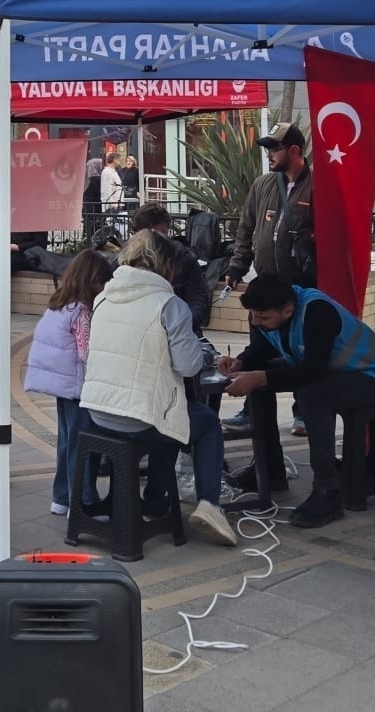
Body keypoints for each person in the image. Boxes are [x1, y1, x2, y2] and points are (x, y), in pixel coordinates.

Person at [80, 231, 237, 547]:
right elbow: (189, 366)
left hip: (98, 412)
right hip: (139, 417)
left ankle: (155, 499)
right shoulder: (170, 305)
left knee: (170, 415)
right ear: (166, 265)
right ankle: (210, 504)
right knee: (204, 423)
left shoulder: (103, 298)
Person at [219, 278, 375, 528]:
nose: (256, 322)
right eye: (253, 316)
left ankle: (328, 490)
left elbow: (312, 371)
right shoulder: (263, 313)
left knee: (312, 395)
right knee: (260, 380)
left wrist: (259, 377)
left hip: (372, 376)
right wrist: (241, 363)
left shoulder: (317, 311)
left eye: (263, 318)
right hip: (334, 371)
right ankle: (270, 469)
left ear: (288, 311)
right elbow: (261, 350)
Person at [221, 123, 317, 436]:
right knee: (257, 348)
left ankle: (304, 413)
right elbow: (245, 230)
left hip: (300, 290)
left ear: (295, 151)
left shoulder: (317, 185)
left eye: (274, 148)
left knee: (303, 353)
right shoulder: (263, 185)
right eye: (267, 148)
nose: (268, 154)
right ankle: (252, 412)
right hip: (264, 287)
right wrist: (235, 270)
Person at [25, 250, 115, 516]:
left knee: (66, 442)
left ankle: (62, 497)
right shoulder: (82, 313)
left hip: (60, 386)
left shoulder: (59, 305)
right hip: (79, 388)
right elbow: (87, 352)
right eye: (101, 282)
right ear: (92, 281)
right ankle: (85, 501)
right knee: (84, 446)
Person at [128, 204, 211, 332]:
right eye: (150, 237)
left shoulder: (184, 258)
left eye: (161, 235)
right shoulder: (124, 262)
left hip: (179, 330)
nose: (156, 242)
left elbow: (198, 298)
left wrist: (183, 323)